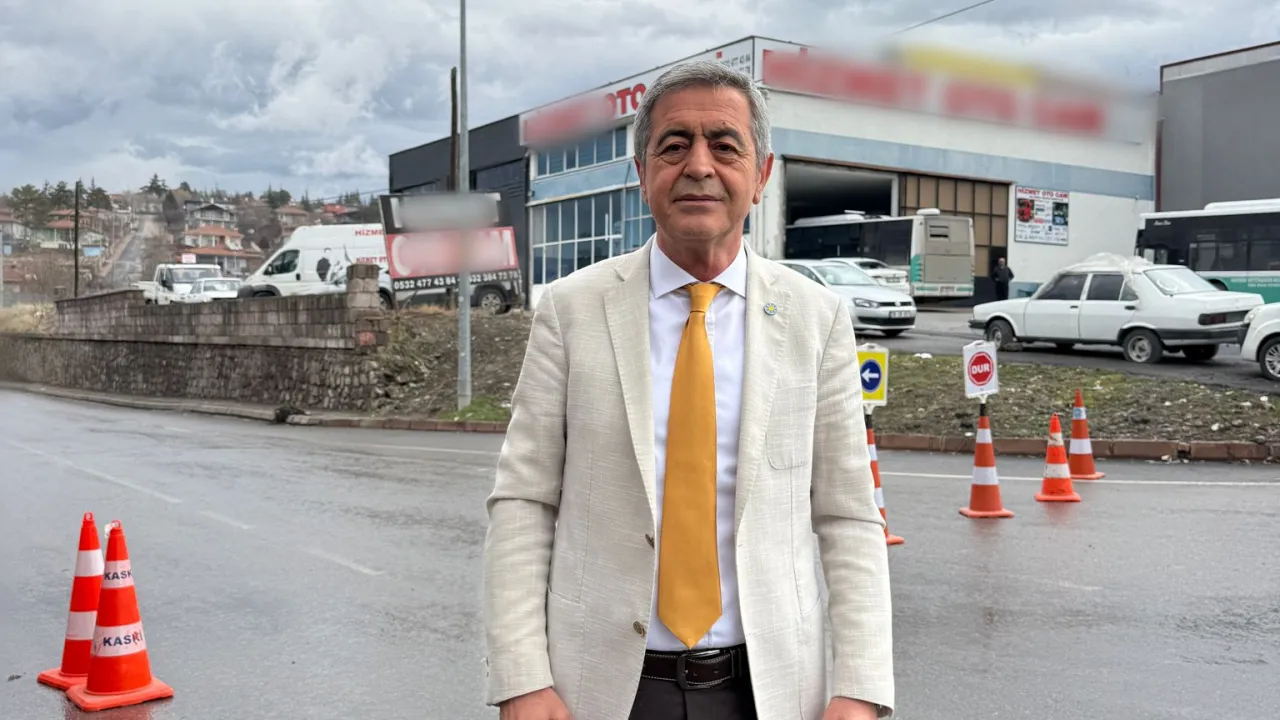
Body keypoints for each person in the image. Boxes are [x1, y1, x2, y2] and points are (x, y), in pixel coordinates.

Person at [482, 59, 894, 720]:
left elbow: (848, 517)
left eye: (724, 146)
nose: (698, 166)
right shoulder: (571, 310)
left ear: (761, 174)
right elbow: (524, 500)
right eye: (674, 146)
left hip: (771, 692)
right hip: (602, 691)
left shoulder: (816, 320)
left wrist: (861, 689)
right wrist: (522, 678)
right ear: (642, 172)